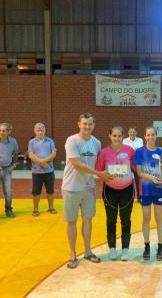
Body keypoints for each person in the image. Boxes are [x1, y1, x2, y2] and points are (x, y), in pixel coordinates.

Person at [62, 113, 111, 269]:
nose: (87, 127)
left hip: (88, 188)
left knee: (88, 220)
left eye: (90, 124)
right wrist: (98, 174)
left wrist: (113, 171)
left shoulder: (96, 143)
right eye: (85, 124)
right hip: (71, 188)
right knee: (72, 221)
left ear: (93, 125)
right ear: (79, 124)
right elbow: (76, 163)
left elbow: (99, 165)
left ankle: (88, 251)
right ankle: (73, 253)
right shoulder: (72, 141)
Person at [95, 126, 135, 261]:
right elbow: (99, 171)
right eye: (114, 136)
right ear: (110, 136)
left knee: (125, 220)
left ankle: (125, 249)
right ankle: (112, 248)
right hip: (110, 190)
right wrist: (106, 177)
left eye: (119, 136)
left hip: (127, 190)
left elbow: (136, 169)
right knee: (111, 220)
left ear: (123, 136)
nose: (117, 138)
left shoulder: (130, 151)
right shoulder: (104, 152)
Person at [133, 126, 162, 261]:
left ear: (156, 136)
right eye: (148, 135)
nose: (150, 137)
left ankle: (160, 247)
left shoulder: (161, 151)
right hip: (145, 190)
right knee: (146, 219)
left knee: (159, 219)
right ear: (144, 136)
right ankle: (147, 246)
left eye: (153, 135)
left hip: (159, 190)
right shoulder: (140, 152)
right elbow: (139, 173)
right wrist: (152, 178)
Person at [28, 123, 57, 216]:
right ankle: (35, 209)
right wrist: (41, 163)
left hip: (49, 171)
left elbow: (53, 153)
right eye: (38, 130)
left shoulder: (50, 141)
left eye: (42, 130)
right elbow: (31, 155)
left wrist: (44, 161)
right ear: (35, 131)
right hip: (37, 172)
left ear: (45, 130)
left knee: (50, 190)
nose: (40, 132)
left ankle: (51, 207)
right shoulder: (31, 142)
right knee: (36, 191)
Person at [123, 126, 143, 202]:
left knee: (138, 181)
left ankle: (139, 198)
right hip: (127, 163)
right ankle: (129, 198)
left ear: (136, 133)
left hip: (136, 163)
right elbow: (124, 151)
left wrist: (130, 151)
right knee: (127, 181)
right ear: (128, 133)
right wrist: (133, 150)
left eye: (133, 132)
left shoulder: (140, 140)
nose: (132, 133)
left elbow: (139, 150)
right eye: (131, 132)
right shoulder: (124, 141)